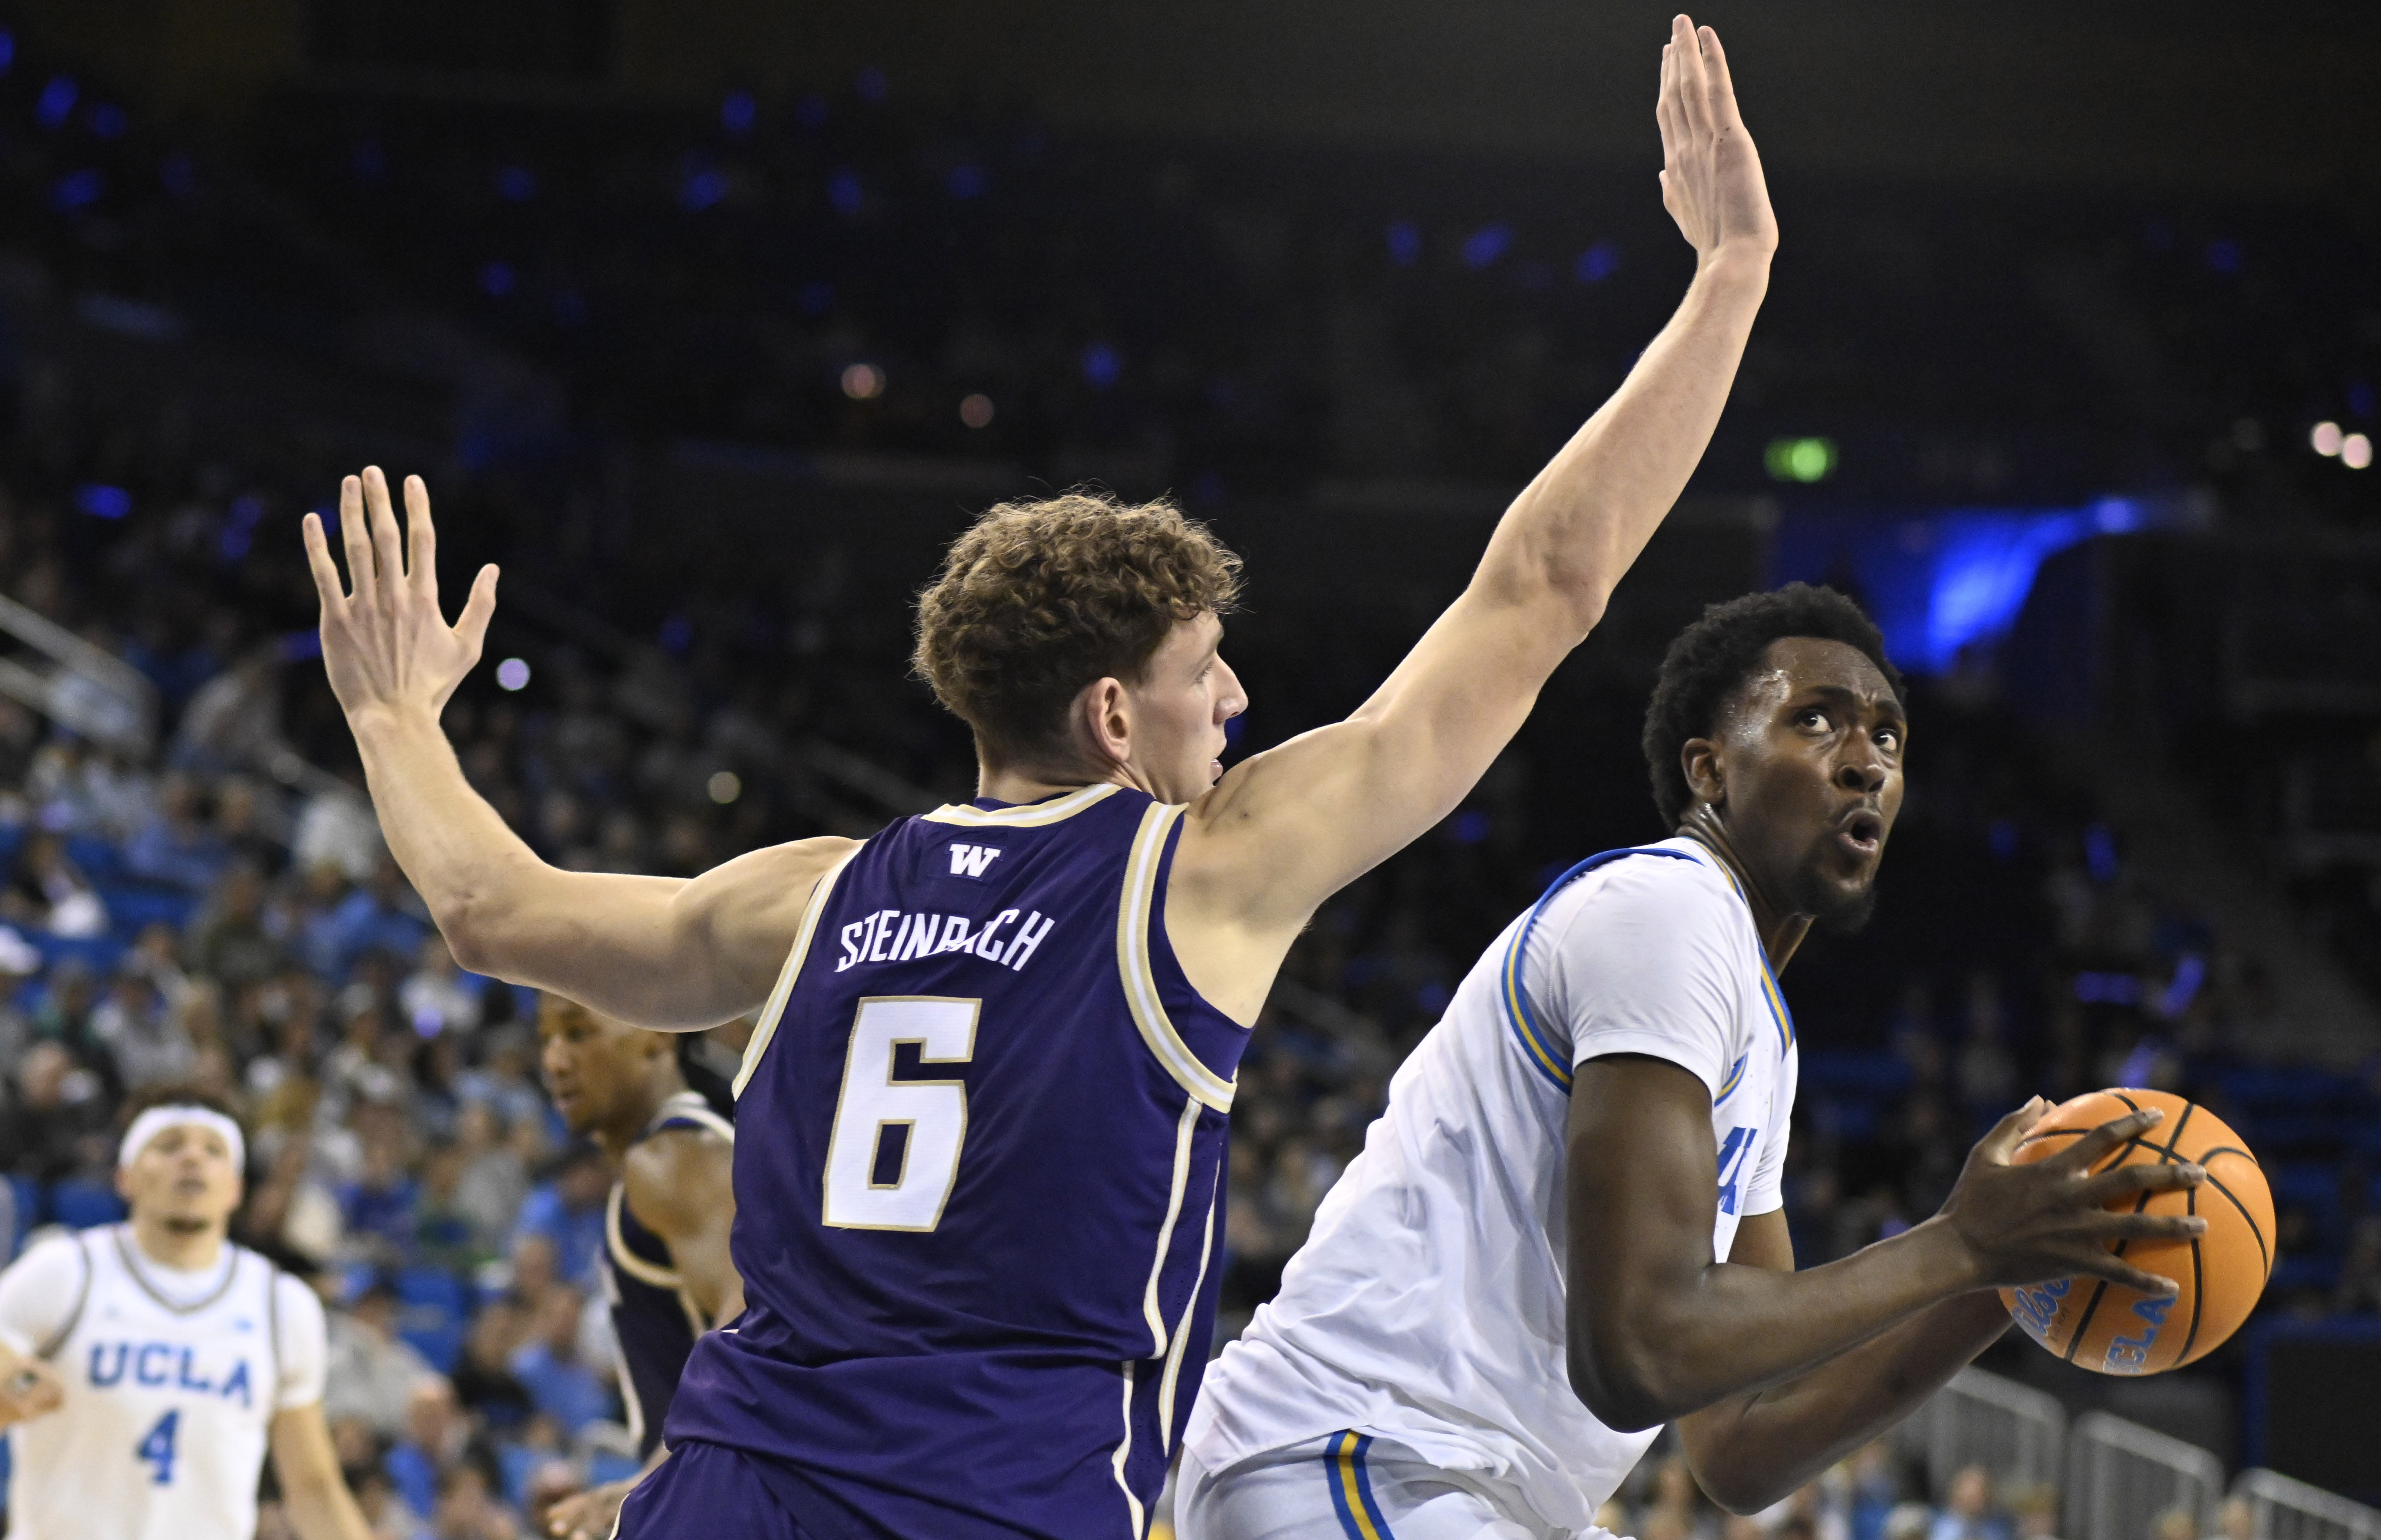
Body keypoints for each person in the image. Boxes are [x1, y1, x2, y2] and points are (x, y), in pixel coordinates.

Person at [300, 10, 1776, 1530]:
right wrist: (1727, 280)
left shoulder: (807, 898)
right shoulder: (1198, 867)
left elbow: (487, 908)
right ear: (1115, 716)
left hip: (732, 1491)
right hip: (1003, 1500)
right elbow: (1541, 587)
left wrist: (395, 716)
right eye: (1207, 668)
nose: (1237, 699)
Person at [1175, 585, 2208, 1537]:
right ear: (1708, 769)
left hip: (1466, 1490)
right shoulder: (1666, 910)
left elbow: (1745, 1442)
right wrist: (1961, 1244)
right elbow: (1637, 1352)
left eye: (1887, 734)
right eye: (1816, 720)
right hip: (1348, 1454)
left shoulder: (1759, 1034)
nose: (1866, 761)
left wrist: (2002, 1278)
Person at [0, 1087, 375, 1540]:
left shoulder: (282, 1304)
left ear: (235, 1188)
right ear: (125, 1177)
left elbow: (313, 1486)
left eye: (213, 1150)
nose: (193, 1158)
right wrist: (14, 1384)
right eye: (169, 1145)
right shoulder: (65, 1271)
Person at [526, 993, 741, 1540]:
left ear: (658, 1032)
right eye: (546, 1038)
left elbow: (756, 1315)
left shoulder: (674, 1157)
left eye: (578, 1032)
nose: (555, 1060)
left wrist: (653, 1482)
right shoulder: (692, 1144)